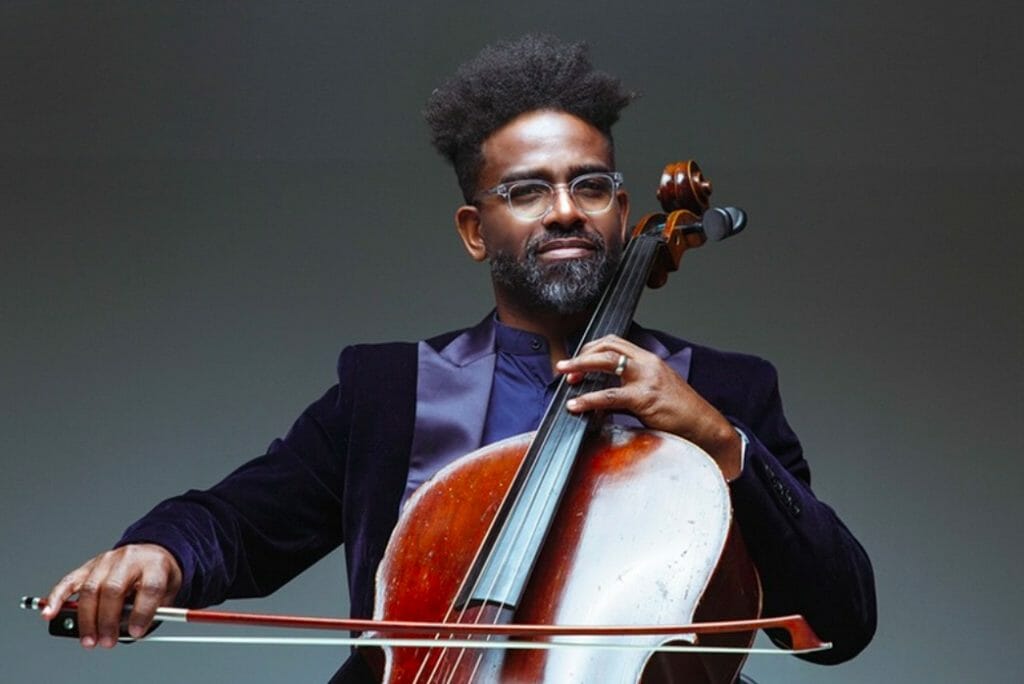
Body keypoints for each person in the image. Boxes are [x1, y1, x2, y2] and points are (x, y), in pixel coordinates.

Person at [43, 34, 876, 682]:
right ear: (476, 231)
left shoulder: (725, 391)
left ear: (624, 214)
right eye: (526, 190)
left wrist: (720, 442)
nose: (565, 210)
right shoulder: (388, 392)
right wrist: (159, 553)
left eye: (590, 185)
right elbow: (237, 523)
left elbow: (840, 622)